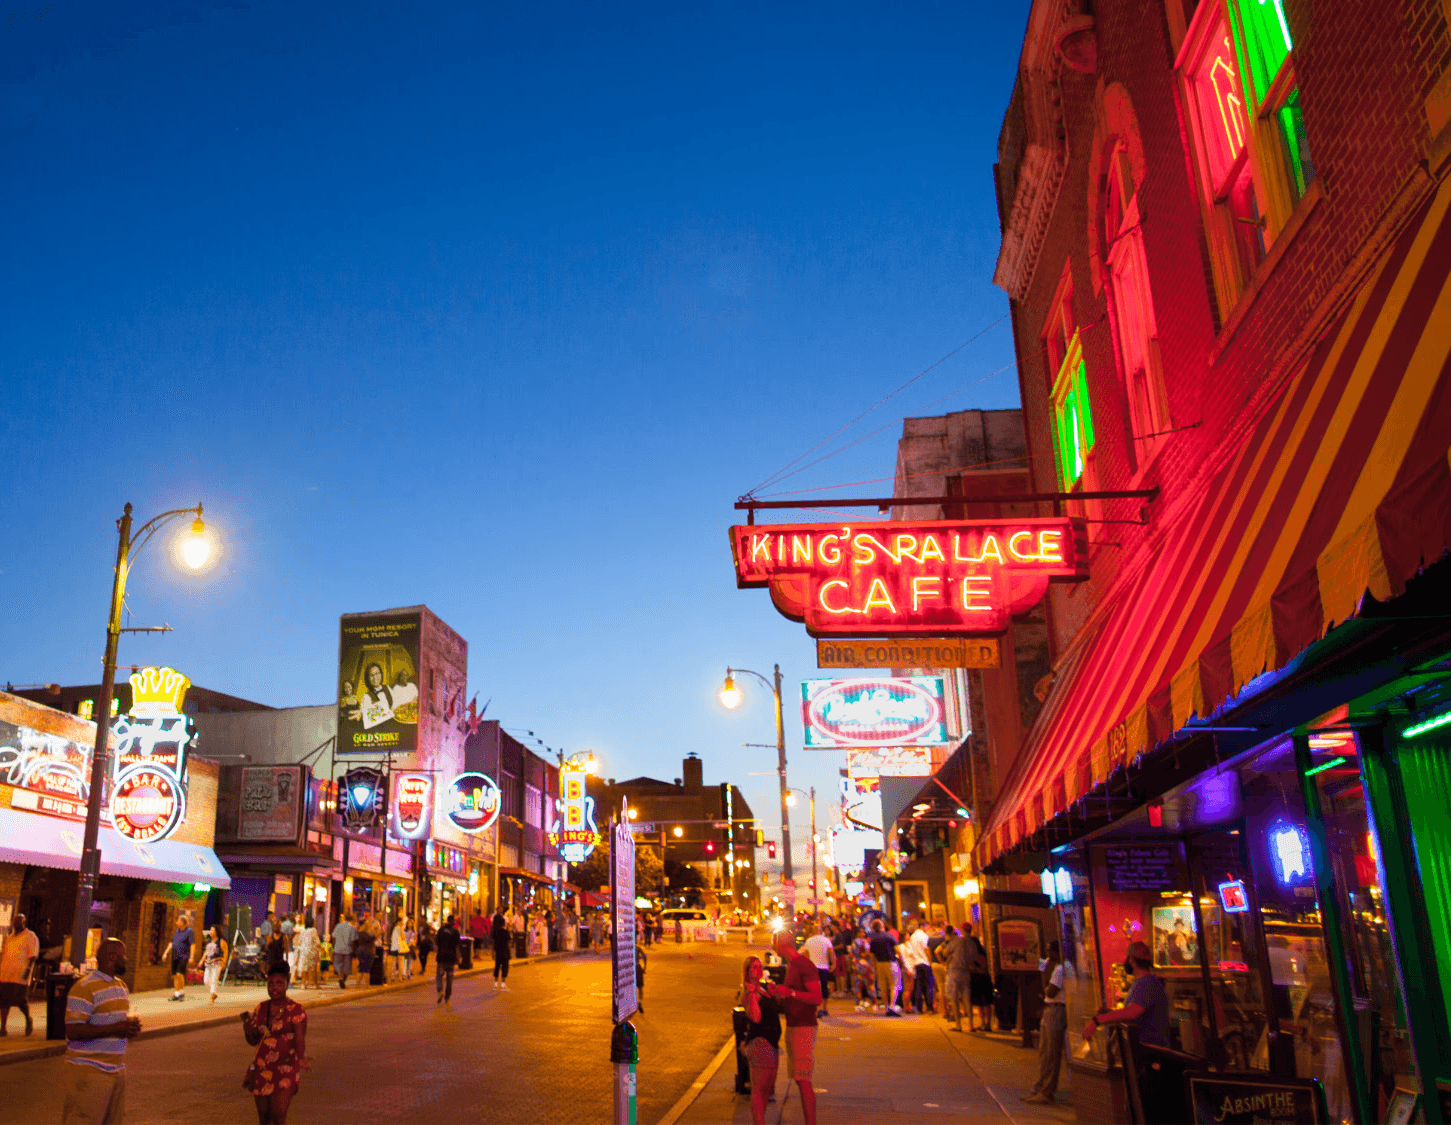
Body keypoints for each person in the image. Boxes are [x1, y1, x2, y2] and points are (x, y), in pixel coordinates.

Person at [63, 937, 141, 1124]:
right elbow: (73, 1031)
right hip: (88, 1070)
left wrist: (128, 1027)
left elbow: (112, 1023)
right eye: (124, 955)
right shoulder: (84, 987)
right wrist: (117, 1028)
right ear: (112, 957)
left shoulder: (121, 987)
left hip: (116, 1071)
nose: (127, 959)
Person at [241, 961, 309, 1124]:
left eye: (279, 983)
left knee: (279, 1114)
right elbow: (253, 1041)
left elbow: (300, 1037)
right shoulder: (261, 1008)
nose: (274, 988)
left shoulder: (296, 1009)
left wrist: (301, 1058)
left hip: (286, 1067)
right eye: (270, 983)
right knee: (264, 1117)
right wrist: (248, 1029)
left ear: (287, 984)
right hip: (262, 1067)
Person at [1083, 939, 1169, 1048]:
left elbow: (1132, 1013)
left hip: (1151, 1052)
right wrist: (1109, 1014)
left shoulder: (1147, 983)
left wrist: (1096, 1021)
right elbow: (1137, 1015)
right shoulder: (1144, 982)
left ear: (1131, 960)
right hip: (1146, 1050)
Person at [774, 929, 821, 1125]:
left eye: (773, 941)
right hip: (794, 1025)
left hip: (803, 1027)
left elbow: (816, 997)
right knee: (799, 1078)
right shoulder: (793, 965)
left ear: (782, 943)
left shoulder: (803, 964)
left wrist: (791, 994)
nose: (771, 946)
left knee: (803, 1079)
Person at [740, 956, 783, 1125]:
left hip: (772, 1042)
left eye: (760, 966)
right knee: (759, 1089)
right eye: (754, 967)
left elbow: (778, 1006)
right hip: (760, 1042)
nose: (758, 969)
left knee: (767, 1089)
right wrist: (751, 992)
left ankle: (761, 1120)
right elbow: (756, 1017)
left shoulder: (764, 988)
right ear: (747, 972)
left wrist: (776, 993)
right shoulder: (748, 992)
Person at [1024, 941, 1067, 1105]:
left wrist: (1043, 973)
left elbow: (1049, 991)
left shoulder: (1060, 969)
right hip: (1052, 1008)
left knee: (1050, 1053)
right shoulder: (1059, 968)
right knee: (1045, 1052)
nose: (1048, 953)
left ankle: (1046, 1091)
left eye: (1049, 950)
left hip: (1056, 1009)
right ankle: (1039, 1087)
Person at [0, 911, 40, 1036]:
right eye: (15, 921)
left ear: (24, 923)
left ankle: (28, 1019)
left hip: (20, 975)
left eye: (20, 921)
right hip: (6, 974)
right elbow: (4, 955)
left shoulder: (30, 936)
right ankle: (3, 1028)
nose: (17, 924)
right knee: (3, 1001)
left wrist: (28, 970)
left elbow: (33, 955)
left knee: (20, 1000)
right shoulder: (10, 938)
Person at [962, 923, 994, 1031]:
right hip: (977, 978)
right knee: (981, 1003)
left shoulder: (979, 955)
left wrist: (974, 968)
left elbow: (983, 967)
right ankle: (983, 1023)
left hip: (982, 978)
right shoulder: (976, 953)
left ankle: (987, 1023)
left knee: (985, 1002)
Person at [800, 925, 835, 1019]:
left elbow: (806, 956)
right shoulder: (826, 940)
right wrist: (833, 964)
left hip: (812, 968)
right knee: (824, 988)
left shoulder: (809, 941)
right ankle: (824, 1008)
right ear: (821, 931)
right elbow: (831, 952)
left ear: (812, 931)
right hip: (823, 968)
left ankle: (817, 1009)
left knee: (814, 989)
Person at [867, 920, 900, 1016]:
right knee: (894, 985)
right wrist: (901, 961)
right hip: (891, 962)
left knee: (883, 987)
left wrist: (874, 967)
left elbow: (872, 955)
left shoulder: (873, 939)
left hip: (879, 963)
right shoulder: (889, 936)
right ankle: (892, 1006)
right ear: (882, 926)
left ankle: (886, 1007)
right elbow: (897, 950)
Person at [434, 914, 461, 1005]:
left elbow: (436, 942)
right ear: (452, 921)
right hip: (451, 957)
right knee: (449, 978)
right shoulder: (455, 932)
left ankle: (440, 991)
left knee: (439, 976)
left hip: (441, 957)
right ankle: (447, 997)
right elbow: (457, 945)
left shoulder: (441, 930)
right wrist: (458, 957)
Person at [169, 914, 195, 1002]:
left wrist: (191, 956)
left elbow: (192, 944)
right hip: (174, 955)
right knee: (175, 976)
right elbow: (172, 942)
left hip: (183, 955)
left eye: (178, 921)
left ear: (183, 923)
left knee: (180, 974)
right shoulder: (177, 931)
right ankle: (176, 994)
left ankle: (182, 992)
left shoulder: (189, 931)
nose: (176, 922)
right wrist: (165, 953)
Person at [201, 925, 229, 1004]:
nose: (211, 932)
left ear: (216, 932)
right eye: (210, 930)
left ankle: (212, 996)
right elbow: (206, 952)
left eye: (212, 930)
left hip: (217, 963)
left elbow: (226, 951)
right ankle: (213, 993)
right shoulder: (209, 940)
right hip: (208, 962)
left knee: (214, 979)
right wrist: (201, 960)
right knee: (206, 980)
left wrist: (224, 962)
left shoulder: (221, 941)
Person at [331, 913, 356, 989]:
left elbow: (333, 937)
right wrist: (353, 950)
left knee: (338, 965)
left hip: (338, 948)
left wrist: (333, 947)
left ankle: (340, 978)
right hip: (347, 950)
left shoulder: (338, 926)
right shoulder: (352, 928)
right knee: (346, 967)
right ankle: (343, 980)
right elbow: (353, 940)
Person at [293, 918, 320, 990]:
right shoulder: (313, 930)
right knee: (313, 968)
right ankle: (315, 984)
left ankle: (303, 984)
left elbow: (300, 941)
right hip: (311, 951)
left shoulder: (303, 931)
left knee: (304, 968)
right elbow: (317, 941)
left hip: (303, 951)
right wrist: (320, 948)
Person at [491, 907, 511, 990]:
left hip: (497, 951)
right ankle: (503, 983)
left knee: (497, 966)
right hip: (505, 951)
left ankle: (495, 983)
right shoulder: (505, 932)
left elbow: (493, 943)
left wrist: (493, 953)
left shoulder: (494, 932)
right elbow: (508, 942)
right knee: (505, 967)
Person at [389, 916, 410, 982]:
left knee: (394, 962)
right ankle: (400, 977)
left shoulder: (393, 928)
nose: (402, 923)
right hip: (399, 947)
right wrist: (405, 935)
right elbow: (403, 937)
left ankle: (392, 977)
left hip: (393, 947)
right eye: (402, 922)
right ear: (399, 922)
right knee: (400, 962)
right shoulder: (400, 928)